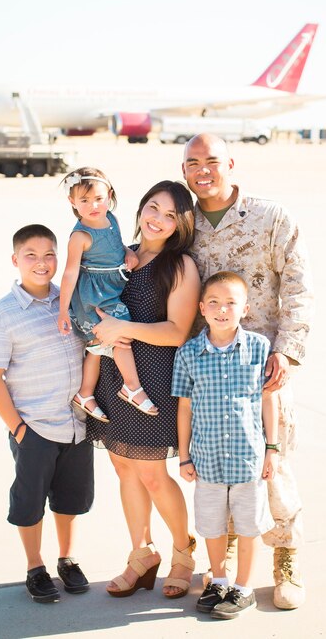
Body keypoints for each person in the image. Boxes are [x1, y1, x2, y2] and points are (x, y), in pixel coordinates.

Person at [182, 134, 314, 610]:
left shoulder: (270, 218)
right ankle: (231, 552)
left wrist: (288, 352)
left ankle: (286, 558)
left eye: (211, 161)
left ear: (231, 164)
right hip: (210, 369)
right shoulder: (184, 224)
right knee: (220, 468)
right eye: (192, 162)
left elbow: (299, 286)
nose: (202, 170)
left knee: (272, 468)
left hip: (264, 369)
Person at [86, 180, 201, 599]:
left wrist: (122, 328)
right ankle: (141, 553)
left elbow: (177, 332)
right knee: (122, 467)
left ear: (181, 224)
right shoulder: (121, 254)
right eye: (153, 208)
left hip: (153, 379)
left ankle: (183, 552)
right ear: (140, 209)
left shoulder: (180, 266)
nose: (158, 219)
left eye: (170, 215)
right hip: (112, 376)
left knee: (152, 473)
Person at [0, 224, 94, 604]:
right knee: (30, 503)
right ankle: (35, 565)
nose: (42, 263)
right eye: (31, 255)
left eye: (49, 255)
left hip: (76, 424)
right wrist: (18, 428)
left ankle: (67, 559)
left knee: (70, 500)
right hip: (34, 427)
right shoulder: (1, 315)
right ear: (16, 260)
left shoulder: (70, 300)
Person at [173, 271, 279, 619]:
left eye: (231, 303)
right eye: (214, 303)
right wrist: (185, 456)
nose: (222, 310)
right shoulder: (189, 353)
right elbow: (185, 408)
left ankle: (244, 588)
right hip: (207, 459)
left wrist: (272, 449)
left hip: (249, 458)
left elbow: (267, 400)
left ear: (244, 308)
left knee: (248, 526)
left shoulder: (259, 348)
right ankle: (218, 579)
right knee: (212, 525)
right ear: (202, 308)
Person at [58, 166, 158, 420]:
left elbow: (115, 244)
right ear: (72, 202)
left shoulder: (110, 218)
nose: (93, 205)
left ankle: (85, 393)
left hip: (111, 285)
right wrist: (63, 311)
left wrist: (128, 252)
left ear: (109, 195)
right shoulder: (80, 236)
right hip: (93, 297)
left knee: (95, 346)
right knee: (120, 334)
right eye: (84, 200)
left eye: (99, 199)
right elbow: (69, 274)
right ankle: (132, 387)